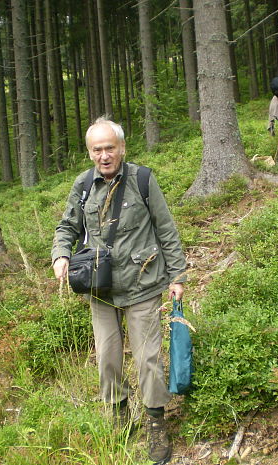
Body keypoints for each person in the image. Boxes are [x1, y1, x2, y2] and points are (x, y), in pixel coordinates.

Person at [51, 117, 186, 464]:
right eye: (97, 149)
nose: (104, 155)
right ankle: (119, 415)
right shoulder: (83, 185)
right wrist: (61, 255)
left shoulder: (143, 180)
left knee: (148, 359)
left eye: (110, 147)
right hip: (101, 288)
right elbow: (67, 226)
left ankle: (156, 421)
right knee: (107, 359)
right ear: (90, 152)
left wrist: (178, 276)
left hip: (143, 284)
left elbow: (166, 228)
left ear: (122, 148)